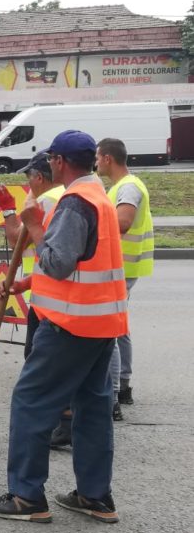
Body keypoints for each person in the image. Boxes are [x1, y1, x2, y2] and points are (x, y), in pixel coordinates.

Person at [0, 130, 127, 524]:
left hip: (69, 326)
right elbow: (82, 264)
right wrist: (28, 283)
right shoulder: (100, 198)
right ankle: (96, 497)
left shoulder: (75, 202)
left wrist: (34, 224)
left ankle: (27, 498)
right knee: (93, 407)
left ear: (59, 162)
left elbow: (58, 260)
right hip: (101, 324)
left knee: (31, 400)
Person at [0, 151, 64, 359]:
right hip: (54, 291)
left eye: (28, 177)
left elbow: (16, 240)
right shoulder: (65, 194)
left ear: (39, 177)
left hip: (48, 300)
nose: (27, 183)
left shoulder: (47, 201)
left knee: (36, 357)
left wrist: (7, 208)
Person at [96, 137, 153, 410]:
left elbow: (123, 222)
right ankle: (124, 385)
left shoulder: (128, 187)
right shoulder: (122, 186)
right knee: (119, 327)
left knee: (111, 330)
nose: (95, 163)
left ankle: (115, 394)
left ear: (108, 158)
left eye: (98, 158)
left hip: (120, 266)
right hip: (123, 265)